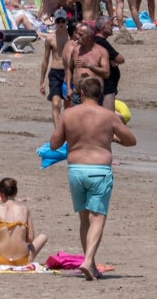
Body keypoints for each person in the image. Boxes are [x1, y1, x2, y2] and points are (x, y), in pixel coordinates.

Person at [49, 76, 136, 281]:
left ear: (82, 94)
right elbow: (131, 140)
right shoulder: (108, 115)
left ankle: (92, 263)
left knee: (84, 218)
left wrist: (73, 137)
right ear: (99, 95)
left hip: (76, 169)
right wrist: (111, 138)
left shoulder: (69, 114)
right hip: (99, 169)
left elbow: (54, 144)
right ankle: (88, 261)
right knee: (98, 217)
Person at [0, 177, 48, 266]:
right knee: (43, 236)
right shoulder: (25, 209)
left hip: (0, 260)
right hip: (23, 260)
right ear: (16, 192)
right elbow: (30, 239)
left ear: (0, 193)